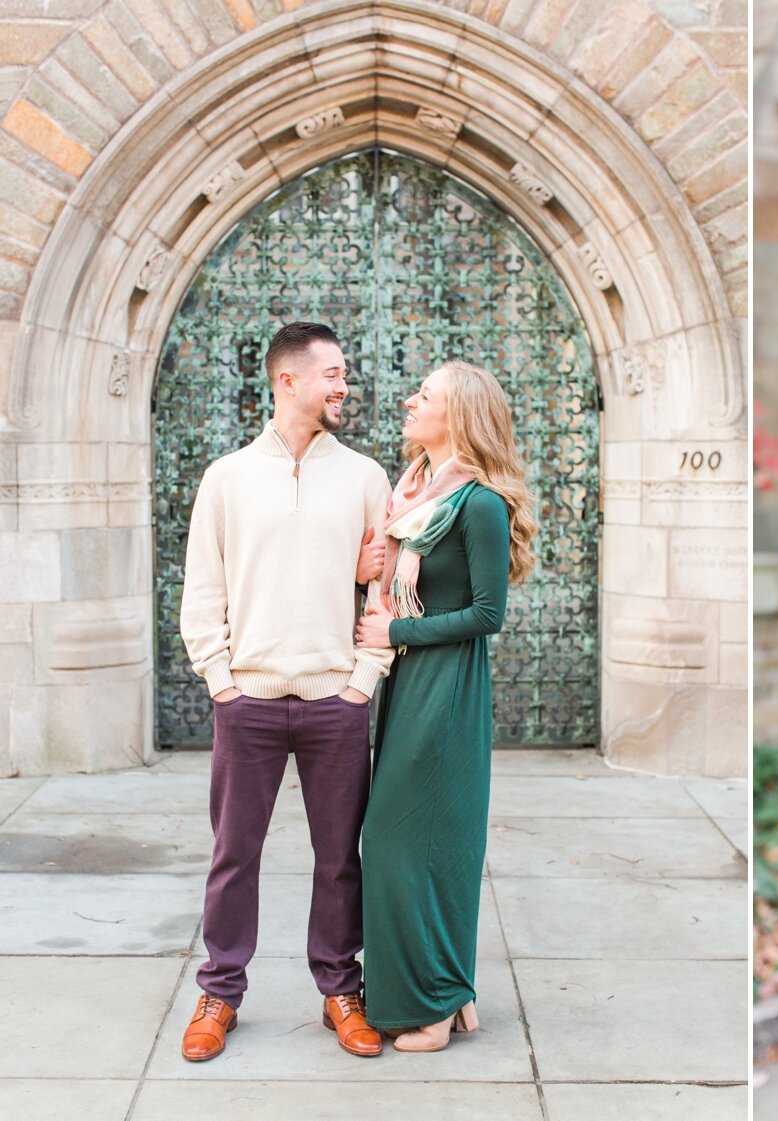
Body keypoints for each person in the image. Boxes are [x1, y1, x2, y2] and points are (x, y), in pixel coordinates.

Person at [178, 321, 394, 1061]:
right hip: (251, 704)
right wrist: (223, 681)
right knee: (234, 852)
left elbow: (387, 592)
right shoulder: (227, 477)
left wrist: (362, 682)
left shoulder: (365, 475)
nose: (344, 385)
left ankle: (340, 987)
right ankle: (220, 990)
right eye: (332, 373)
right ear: (288, 380)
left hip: (336, 701)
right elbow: (202, 590)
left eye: (344, 372)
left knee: (340, 857)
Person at [353, 359, 536, 1053]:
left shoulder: (479, 504)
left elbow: (488, 613)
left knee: (423, 841)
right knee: (401, 840)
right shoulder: (413, 493)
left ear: (457, 414)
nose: (409, 401)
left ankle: (435, 1001)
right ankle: (429, 991)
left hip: (446, 685)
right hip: (406, 682)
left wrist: (397, 630)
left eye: (424, 395)